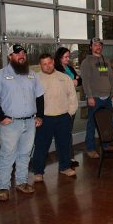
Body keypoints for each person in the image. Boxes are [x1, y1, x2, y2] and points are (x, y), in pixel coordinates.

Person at [0, 44, 44, 201]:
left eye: (23, 53)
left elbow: (39, 97)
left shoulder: (32, 75)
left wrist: (39, 115)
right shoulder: (0, 75)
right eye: (17, 53)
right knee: (7, 155)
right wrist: (1, 117)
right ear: (10, 56)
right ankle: (3, 187)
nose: (21, 56)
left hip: (30, 122)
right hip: (11, 123)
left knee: (25, 154)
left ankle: (22, 182)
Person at [33, 54, 78, 182]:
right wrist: (36, 117)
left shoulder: (64, 78)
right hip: (44, 119)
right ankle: (38, 172)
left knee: (64, 145)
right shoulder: (35, 79)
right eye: (44, 64)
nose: (47, 66)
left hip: (63, 117)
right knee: (41, 147)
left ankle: (65, 167)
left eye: (49, 63)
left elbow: (72, 97)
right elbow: (31, 99)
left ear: (53, 62)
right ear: (40, 65)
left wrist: (69, 114)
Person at [80, 38, 113, 159]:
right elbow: (85, 82)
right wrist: (89, 96)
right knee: (92, 124)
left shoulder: (105, 60)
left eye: (100, 45)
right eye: (95, 45)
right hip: (95, 98)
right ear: (91, 47)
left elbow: (111, 79)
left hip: (107, 98)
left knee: (106, 122)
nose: (98, 47)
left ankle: (106, 145)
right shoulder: (86, 62)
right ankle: (90, 148)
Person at [54, 47, 82, 167]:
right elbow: (60, 85)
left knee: (68, 132)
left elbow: (80, 81)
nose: (68, 59)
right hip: (61, 105)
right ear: (59, 57)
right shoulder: (56, 70)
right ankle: (63, 158)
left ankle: (70, 157)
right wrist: (72, 81)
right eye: (65, 57)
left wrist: (75, 80)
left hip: (71, 104)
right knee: (62, 133)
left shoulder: (69, 68)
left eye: (68, 56)